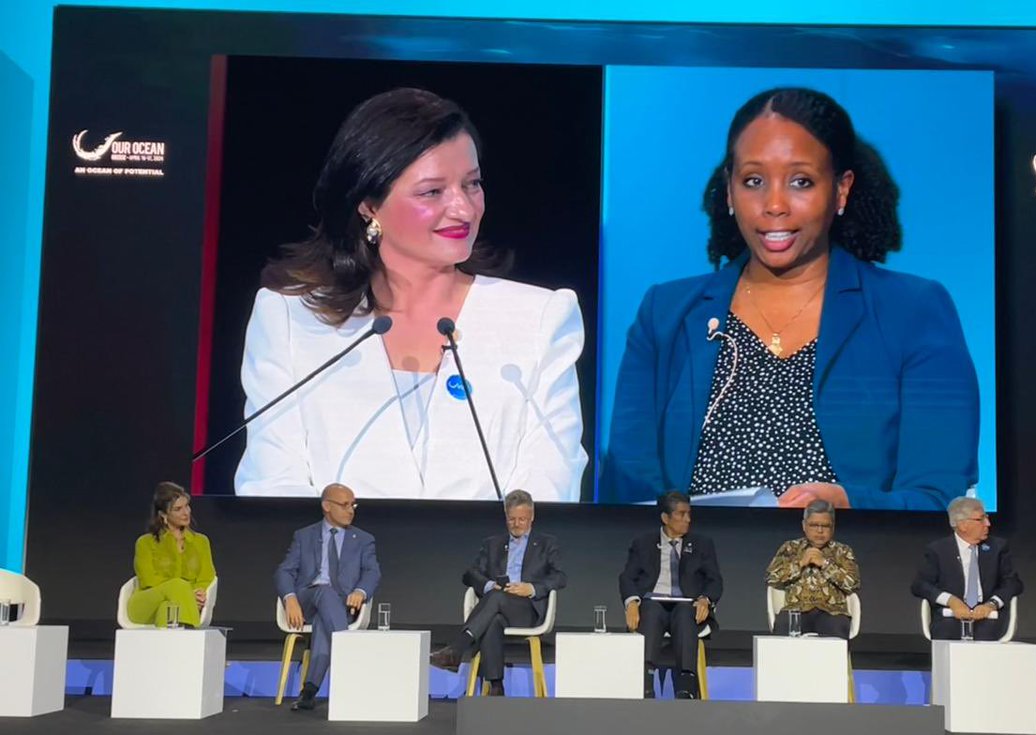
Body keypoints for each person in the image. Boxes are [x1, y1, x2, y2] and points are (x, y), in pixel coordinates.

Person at [599, 87, 979, 509]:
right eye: (753, 181)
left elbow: (939, 497)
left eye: (801, 181)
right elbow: (628, 487)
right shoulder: (666, 315)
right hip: (698, 568)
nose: (774, 204)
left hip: (859, 566)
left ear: (841, 190)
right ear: (729, 190)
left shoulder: (913, 310)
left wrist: (850, 504)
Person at [236, 87, 587, 500]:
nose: (464, 208)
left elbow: (550, 486)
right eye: (432, 192)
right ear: (369, 204)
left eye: (472, 184)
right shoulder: (290, 318)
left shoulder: (539, 319)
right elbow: (272, 485)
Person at [429, 489, 566, 695]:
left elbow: (560, 577)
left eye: (522, 519)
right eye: (512, 519)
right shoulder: (493, 544)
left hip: (526, 610)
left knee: (495, 599)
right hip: (497, 606)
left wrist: (530, 588)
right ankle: (496, 686)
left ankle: (457, 649)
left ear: (532, 517)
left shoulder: (547, 544)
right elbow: (469, 575)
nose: (517, 524)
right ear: (505, 517)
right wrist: (488, 585)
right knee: (493, 617)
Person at [274, 483, 381, 711]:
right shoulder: (304, 536)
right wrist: (290, 598)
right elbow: (284, 571)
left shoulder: (363, 539)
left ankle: (309, 691)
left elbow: (372, 571)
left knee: (326, 618)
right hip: (306, 602)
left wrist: (360, 592)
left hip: (341, 605)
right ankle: (351, 666)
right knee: (323, 591)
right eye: (344, 505)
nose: (350, 510)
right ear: (326, 506)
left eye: (353, 505)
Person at [618, 492, 723, 699]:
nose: (688, 519)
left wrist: (705, 599)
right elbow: (627, 577)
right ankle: (645, 683)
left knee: (685, 613)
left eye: (689, 514)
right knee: (650, 610)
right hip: (653, 602)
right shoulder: (643, 543)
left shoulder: (702, 544)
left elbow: (715, 580)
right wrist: (631, 602)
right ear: (665, 518)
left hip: (686, 604)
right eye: (681, 514)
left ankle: (686, 685)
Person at [911, 496, 1022, 640]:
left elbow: (1013, 583)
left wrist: (991, 605)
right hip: (950, 616)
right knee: (948, 633)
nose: (988, 523)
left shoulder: (998, 547)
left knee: (986, 636)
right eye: (981, 519)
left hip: (987, 616)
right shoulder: (938, 550)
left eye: (987, 517)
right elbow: (920, 585)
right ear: (962, 525)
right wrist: (951, 601)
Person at [764, 499, 860, 638]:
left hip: (832, 612)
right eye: (814, 525)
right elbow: (771, 578)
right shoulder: (790, 548)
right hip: (796, 610)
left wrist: (825, 564)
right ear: (804, 525)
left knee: (837, 629)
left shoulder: (843, 551)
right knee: (784, 626)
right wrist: (800, 563)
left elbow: (853, 584)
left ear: (832, 527)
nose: (820, 531)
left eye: (825, 526)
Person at [128, 482, 216, 628]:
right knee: (178, 585)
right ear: (163, 515)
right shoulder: (145, 543)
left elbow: (207, 576)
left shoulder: (201, 541)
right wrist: (187, 593)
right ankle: (193, 638)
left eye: (187, 506)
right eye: (178, 509)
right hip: (146, 604)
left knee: (168, 609)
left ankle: (168, 650)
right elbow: (148, 580)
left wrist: (198, 593)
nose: (186, 512)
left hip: (181, 604)